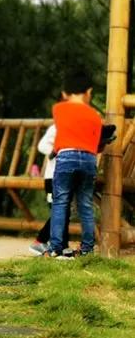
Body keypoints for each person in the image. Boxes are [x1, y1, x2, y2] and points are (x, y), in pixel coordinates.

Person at [47, 70, 102, 258]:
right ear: (88, 92)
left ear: (65, 93)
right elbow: (96, 146)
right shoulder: (95, 115)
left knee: (61, 201)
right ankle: (87, 249)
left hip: (66, 156)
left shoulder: (58, 109)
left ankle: (56, 248)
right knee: (85, 204)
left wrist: (55, 151)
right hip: (88, 159)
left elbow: (63, 133)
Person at [28, 124, 71, 256]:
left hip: (64, 177)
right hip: (52, 179)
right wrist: (55, 151)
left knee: (65, 211)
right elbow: (42, 145)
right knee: (60, 211)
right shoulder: (56, 127)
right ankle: (39, 241)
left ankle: (62, 247)